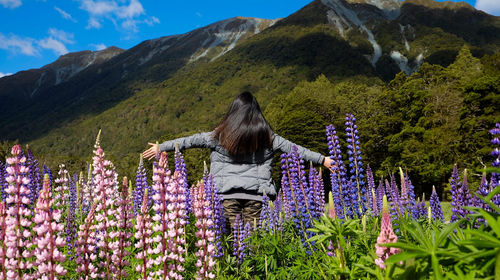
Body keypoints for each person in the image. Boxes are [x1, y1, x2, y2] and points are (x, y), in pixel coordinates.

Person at [143, 91, 333, 230]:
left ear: (233, 113)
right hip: (258, 197)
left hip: (226, 196)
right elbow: (295, 150)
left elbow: (188, 141)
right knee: (253, 246)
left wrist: (161, 147)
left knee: (231, 244)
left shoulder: (218, 135)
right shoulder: (268, 137)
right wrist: (322, 159)